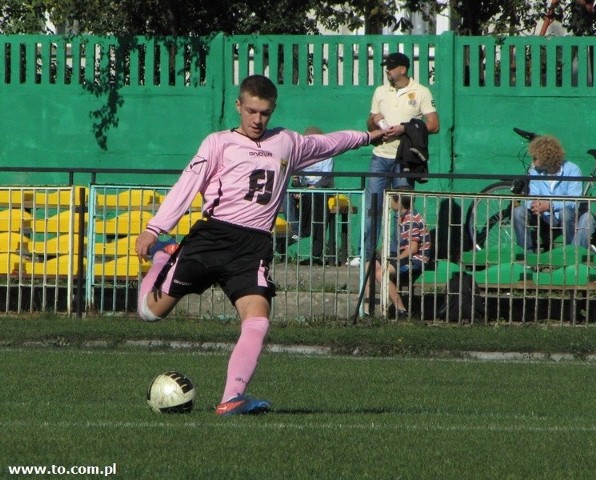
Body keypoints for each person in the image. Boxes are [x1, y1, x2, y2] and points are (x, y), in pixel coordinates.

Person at [134, 74, 385, 416]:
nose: (257, 120)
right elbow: (187, 183)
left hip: (252, 247)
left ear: (273, 110)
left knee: (258, 320)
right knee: (150, 313)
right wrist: (155, 228)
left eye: (264, 113)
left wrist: (370, 136)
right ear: (238, 106)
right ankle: (164, 258)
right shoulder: (218, 143)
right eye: (251, 111)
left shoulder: (286, 142)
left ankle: (231, 399)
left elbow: (329, 144)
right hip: (212, 237)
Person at [357, 52, 439, 267]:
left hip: (404, 158)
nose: (387, 70)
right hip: (380, 156)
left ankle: (394, 257)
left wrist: (405, 128)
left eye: (391, 67)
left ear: (402, 69)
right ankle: (366, 256)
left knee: (401, 210)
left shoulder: (421, 92)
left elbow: (433, 124)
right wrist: (374, 120)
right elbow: (369, 123)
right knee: (372, 208)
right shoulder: (381, 91)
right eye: (386, 67)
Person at [363, 190, 431, 318]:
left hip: (416, 260)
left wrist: (395, 258)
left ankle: (401, 310)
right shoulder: (402, 217)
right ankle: (367, 310)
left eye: (391, 200)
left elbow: (413, 248)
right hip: (406, 257)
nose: (389, 203)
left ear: (398, 202)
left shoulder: (411, 219)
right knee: (369, 266)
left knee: (381, 274)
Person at [512, 135, 583, 252]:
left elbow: (574, 201)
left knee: (566, 213)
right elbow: (532, 193)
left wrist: (550, 205)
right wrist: (534, 204)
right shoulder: (534, 171)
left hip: (561, 215)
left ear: (547, 158)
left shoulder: (572, 169)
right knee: (518, 211)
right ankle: (526, 254)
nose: (532, 161)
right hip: (541, 216)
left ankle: (570, 252)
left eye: (535, 158)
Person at [281, 126, 335, 265]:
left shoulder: (326, 156)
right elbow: (297, 179)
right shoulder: (301, 156)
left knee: (313, 199)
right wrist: (297, 183)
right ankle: (294, 227)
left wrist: (311, 188)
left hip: (320, 191)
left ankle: (305, 239)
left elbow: (326, 178)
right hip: (304, 191)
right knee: (285, 195)